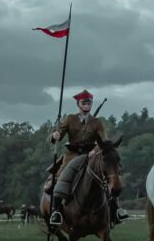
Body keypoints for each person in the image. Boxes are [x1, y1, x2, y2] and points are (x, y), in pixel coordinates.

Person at [46, 89, 128, 227]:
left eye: (88, 103)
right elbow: (57, 134)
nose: (86, 105)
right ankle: (56, 211)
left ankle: (116, 209)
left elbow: (104, 142)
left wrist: (96, 150)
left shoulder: (97, 122)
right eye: (83, 103)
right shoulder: (70, 119)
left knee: (107, 177)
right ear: (78, 104)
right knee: (61, 177)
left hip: (91, 155)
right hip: (72, 155)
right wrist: (55, 136)